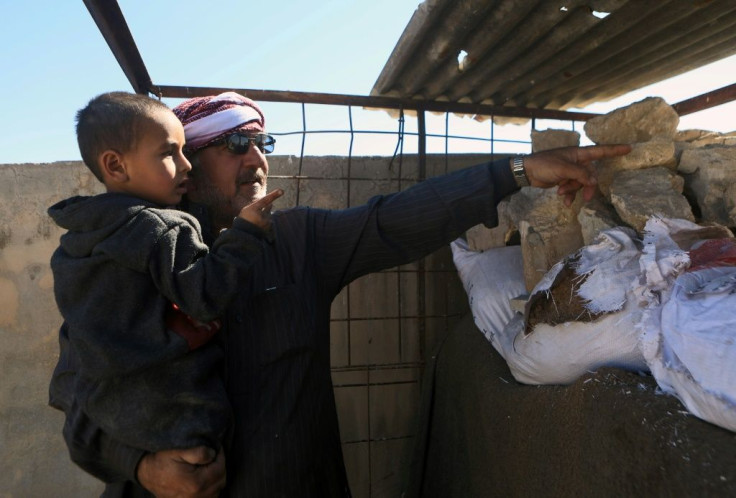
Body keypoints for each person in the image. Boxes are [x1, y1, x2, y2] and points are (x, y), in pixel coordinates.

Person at [49, 91, 631, 497]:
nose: (256, 159)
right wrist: (143, 467)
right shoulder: (123, 261)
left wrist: (517, 172)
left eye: (262, 141)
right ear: (185, 165)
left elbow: (393, 219)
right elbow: (79, 401)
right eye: (232, 144)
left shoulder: (296, 241)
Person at [48, 92, 282, 467]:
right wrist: (246, 237)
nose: (186, 166)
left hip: (113, 412)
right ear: (116, 165)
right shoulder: (162, 227)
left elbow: (71, 387)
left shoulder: (80, 236)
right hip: (179, 423)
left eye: (262, 143)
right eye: (171, 154)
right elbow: (205, 296)